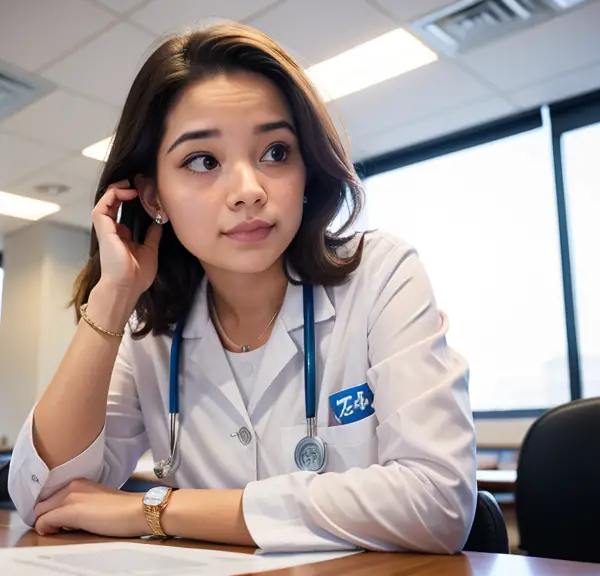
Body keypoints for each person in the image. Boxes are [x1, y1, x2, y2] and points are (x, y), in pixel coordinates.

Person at [8, 22, 476, 553]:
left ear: (306, 169)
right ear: (152, 196)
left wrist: (156, 509)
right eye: (203, 161)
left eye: (275, 152)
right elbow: (45, 497)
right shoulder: (150, 334)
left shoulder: (380, 275)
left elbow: (438, 502)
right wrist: (114, 295)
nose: (249, 191)